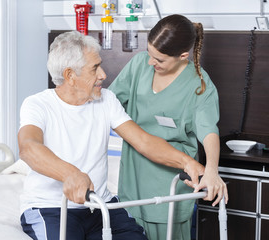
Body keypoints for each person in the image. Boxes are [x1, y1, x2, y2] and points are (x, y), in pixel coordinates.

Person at [18, 31, 206, 240]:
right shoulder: (38, 104)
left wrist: (188, 163)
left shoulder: (106, 100)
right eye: (95, 68)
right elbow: (28, 147)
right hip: (51, 208)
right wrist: (70, 174)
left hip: (101, 205)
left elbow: (143, 141)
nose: (103, 75)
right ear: (70, 75)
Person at [108, 14, 229, 240]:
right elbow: (108, 103)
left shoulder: (199, 84)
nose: (151, 63)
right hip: (133, 180)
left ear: (183, 56)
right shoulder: (138, 65)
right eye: (150, 54)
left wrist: (212, 169)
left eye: (160, 60)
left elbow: (208, 130)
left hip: (170, 184)